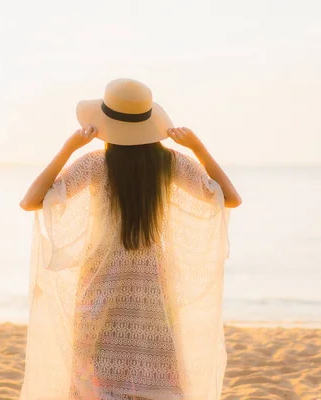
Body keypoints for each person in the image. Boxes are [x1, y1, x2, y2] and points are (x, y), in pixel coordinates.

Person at [18, 78, 241, 400]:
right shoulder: (172, 163)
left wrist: (70, 147)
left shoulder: (94, 164)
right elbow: (230, 198)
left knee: (94, 372)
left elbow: (30, 201)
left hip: (100, 278)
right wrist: (197, 147)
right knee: (153, 368)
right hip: (152, 279)